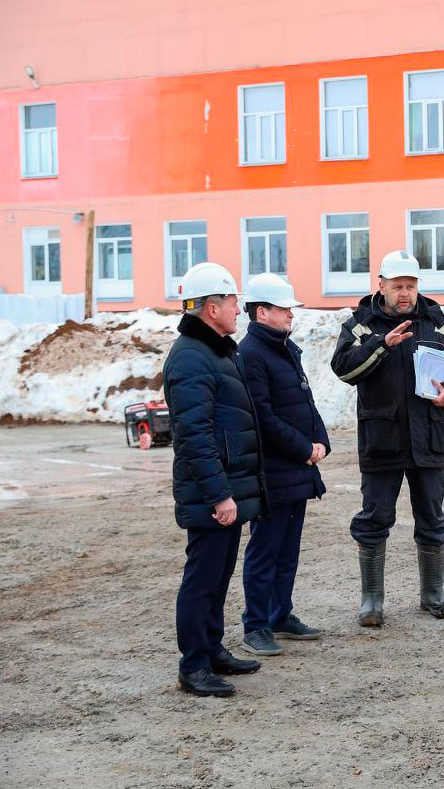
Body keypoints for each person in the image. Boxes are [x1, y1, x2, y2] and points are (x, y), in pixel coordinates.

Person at [330, 250, 444, 627]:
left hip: (428, 438)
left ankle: (433, 594)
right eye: (398, 287)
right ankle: (372, 601)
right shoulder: (361, 324)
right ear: (381, 286)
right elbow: (343, 369)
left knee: (432, 516)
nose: (405, 293)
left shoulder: (436, 321)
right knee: (374, 517)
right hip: (382, 440)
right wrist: (381, 345)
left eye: (411, 286)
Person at [164, 262, 266, 697]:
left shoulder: (217, 350)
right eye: (232, 302)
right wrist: (219, 495)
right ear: (211, 308)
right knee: (202, 579)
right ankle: (194, 665)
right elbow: (193, 435)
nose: (238, 310)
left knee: (218, 575)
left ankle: (211, 649)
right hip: (212, 492)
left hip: (226, 487)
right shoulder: (191, 356)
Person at [237, 273, 331, 656]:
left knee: (287, 550)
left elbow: (304, 401)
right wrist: (304, 448)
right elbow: (263, 417)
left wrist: (321, 440)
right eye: (284, 308)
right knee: (265, 550)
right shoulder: (251, 354)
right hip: (272, 472)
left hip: (295, 469)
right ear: (262, 312)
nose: (291, 314)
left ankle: (280, 615)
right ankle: (256, 625)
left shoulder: (283, 348)